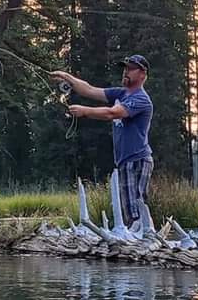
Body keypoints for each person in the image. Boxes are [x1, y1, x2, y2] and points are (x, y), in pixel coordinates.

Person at [51, 55, 154, 228]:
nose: (125, 72)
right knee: (131, 209)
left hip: (137, 159)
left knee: (135, 209)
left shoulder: (141, 99)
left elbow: (112, 113)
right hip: (125, 160)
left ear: (142, 74)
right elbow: (89, 90)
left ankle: (145, 241)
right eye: (125, 68)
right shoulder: (120, 94)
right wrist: (66, 76)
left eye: (130, 69)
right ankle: (142, 239)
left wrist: (85, 111)